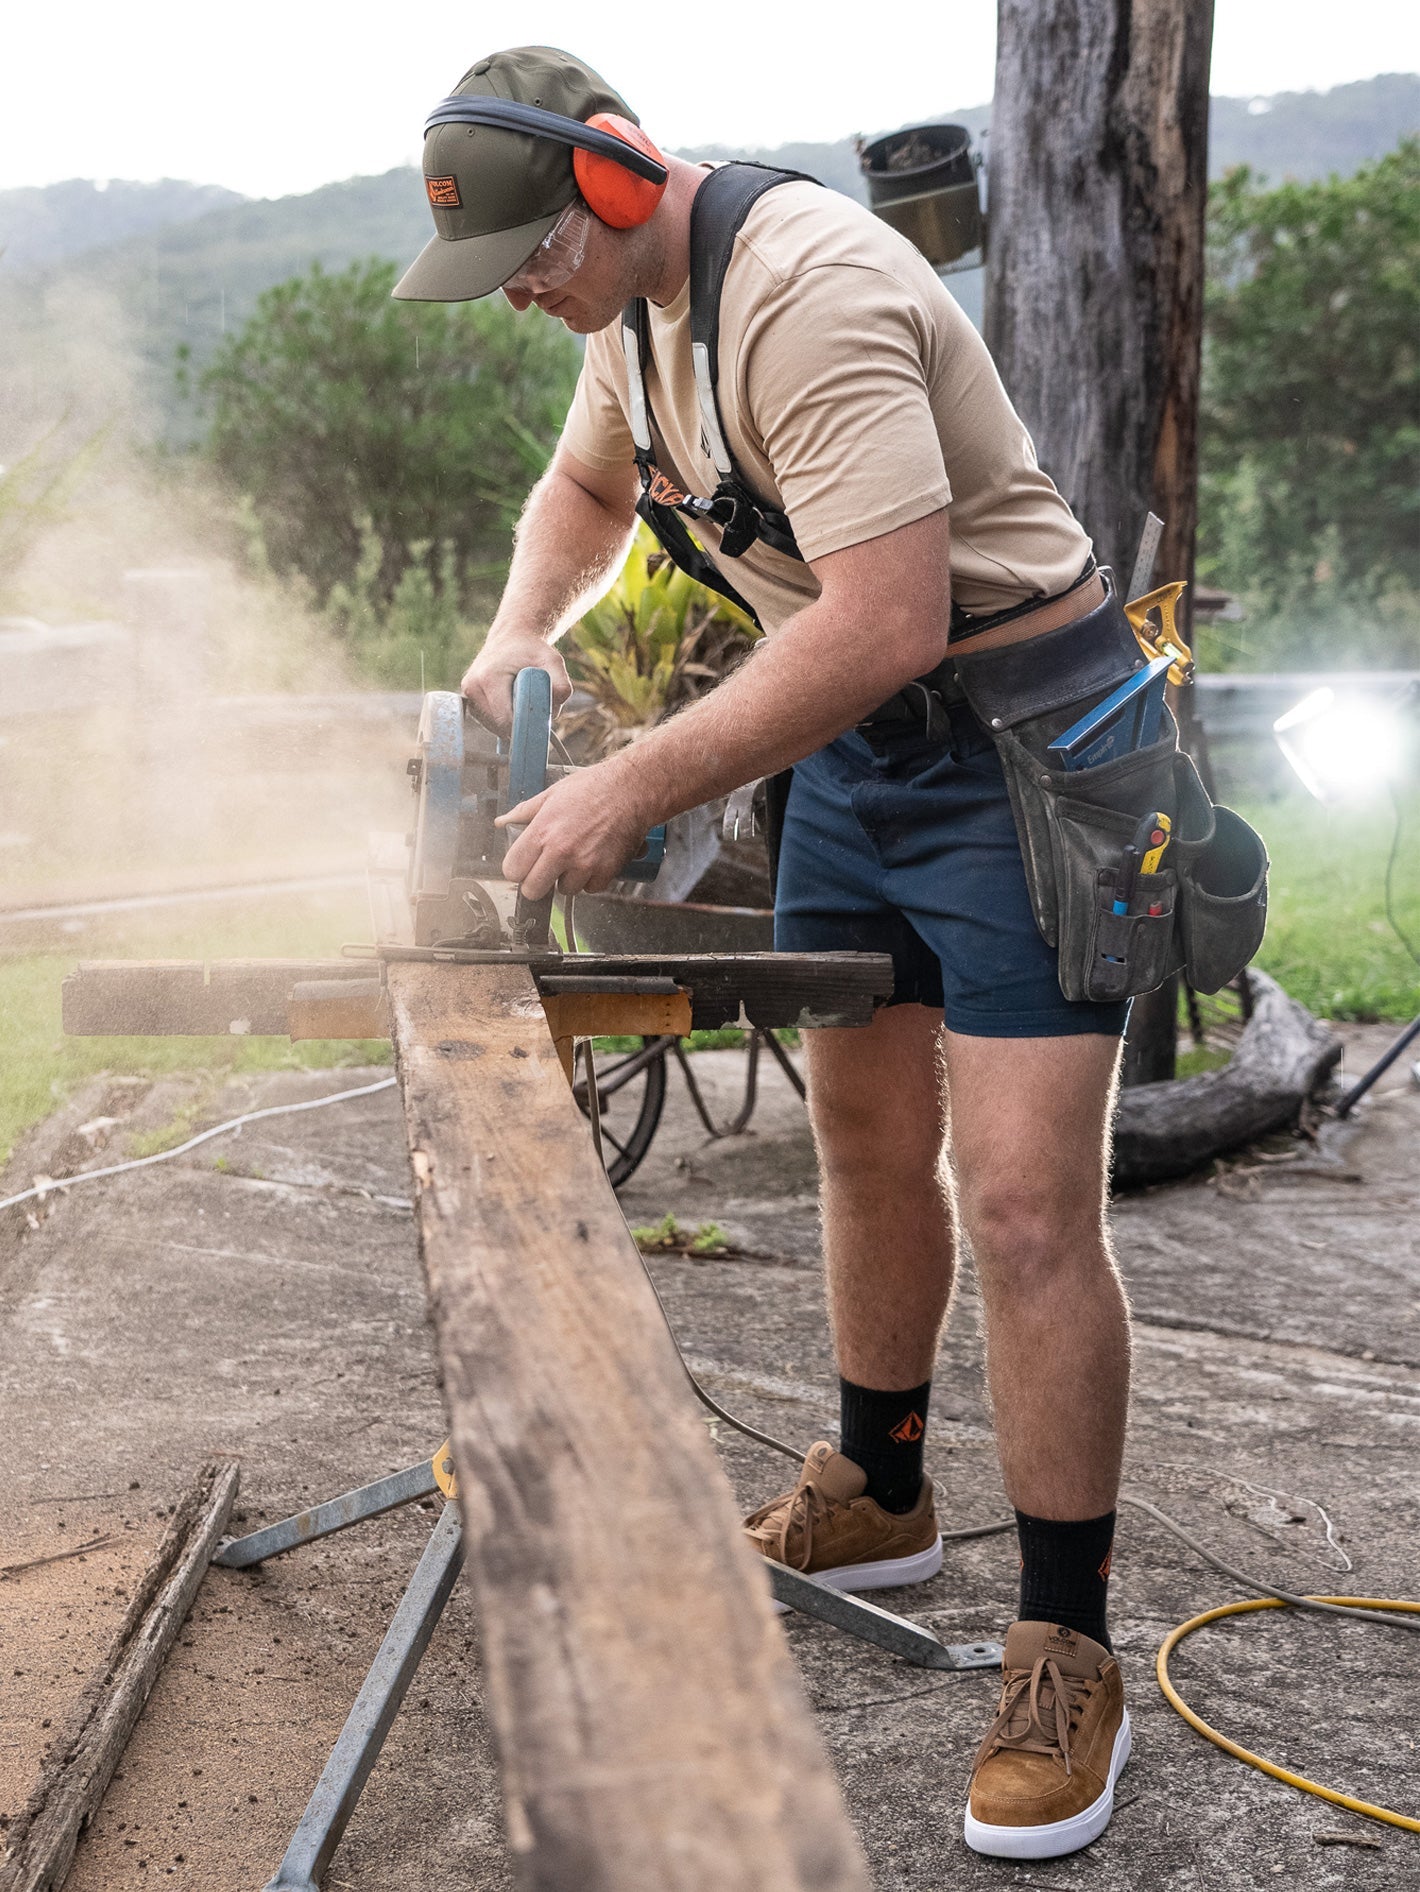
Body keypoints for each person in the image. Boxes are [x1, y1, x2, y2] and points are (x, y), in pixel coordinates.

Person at [395, 44, 1133, 1862]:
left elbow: (882, 615)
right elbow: (587, 497)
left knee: (1027, 1203)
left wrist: (630, 780)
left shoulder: (808, 293)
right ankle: (882, 1483)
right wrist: (513, 639)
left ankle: (1065, 1642)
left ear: (622, 182)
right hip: (859, 759)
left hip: (1035, 747)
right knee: (863, 1147)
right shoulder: (620, 314)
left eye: (538, 261)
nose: (528, 300)